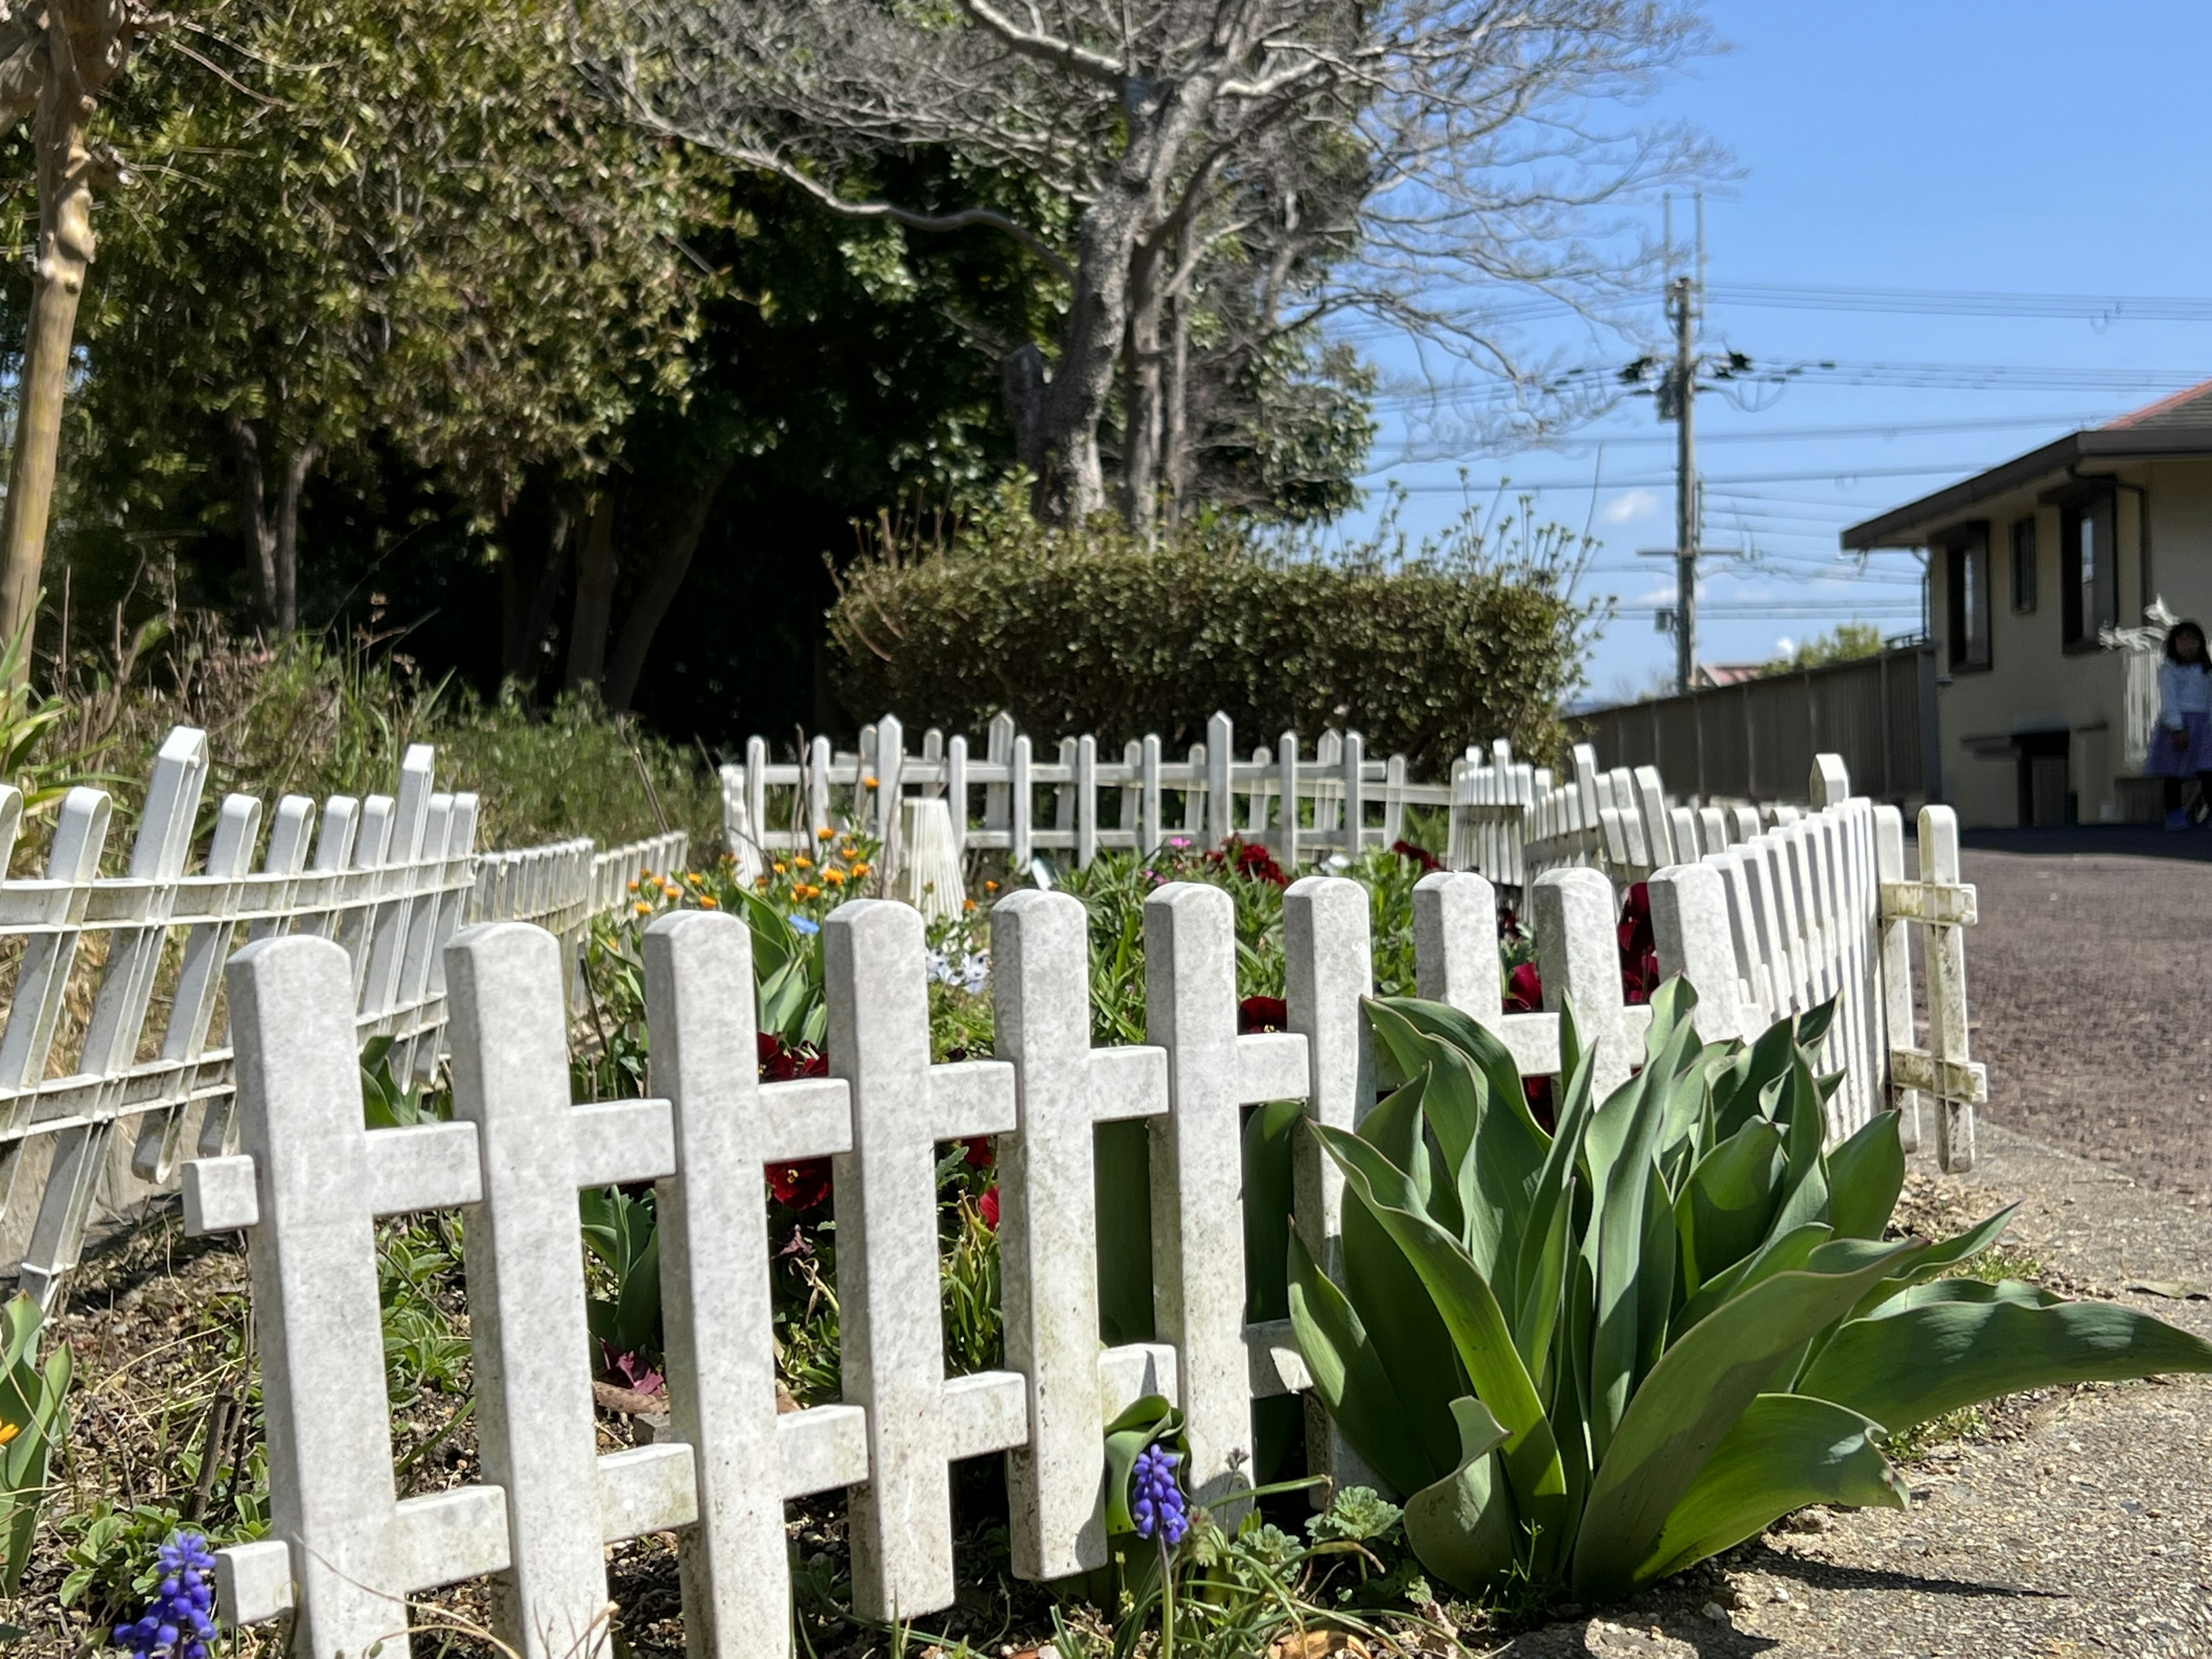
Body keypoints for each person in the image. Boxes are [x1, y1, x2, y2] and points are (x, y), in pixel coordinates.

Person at [2149, 619, 2212, 829]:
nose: (2188, 646)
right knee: (2174, 771)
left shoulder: (2206, 670)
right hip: (2178, 724)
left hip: (2204, 725)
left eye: (2193, 640)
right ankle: (2174, 813)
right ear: (2173, 644)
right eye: (2182, 640)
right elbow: (2169, 698)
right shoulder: (2170, 669)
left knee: (2207, 769)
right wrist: (2177, 726)